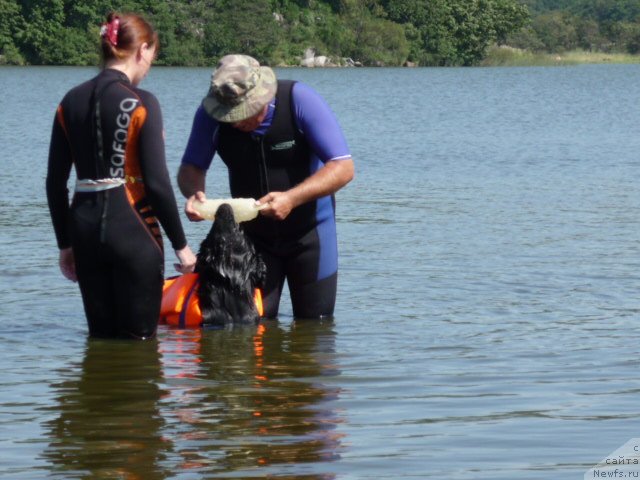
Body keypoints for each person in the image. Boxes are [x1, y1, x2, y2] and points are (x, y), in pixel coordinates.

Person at [46, 12, 196, 339]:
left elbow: (55, 184)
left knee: (100, 342)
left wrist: (64, 244)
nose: (149, 66)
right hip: (133, 229)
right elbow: (156, 183)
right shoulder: (143, 103)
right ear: (142, 50)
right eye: (152, 57)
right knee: (139, 345)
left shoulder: (68, 102)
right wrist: (182, 247)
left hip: (83, 229)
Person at [178, 54, 354, 320]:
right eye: (229, 116)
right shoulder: (210, 115)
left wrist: (292, 198)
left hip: (311, 234)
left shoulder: (299, 101)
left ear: (263, 96)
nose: (235, 122)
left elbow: (343, 168)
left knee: (314, 330)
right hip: (252, 240)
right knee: (254, 328)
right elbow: (191, 168)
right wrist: (195, 194)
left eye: (242, 113)